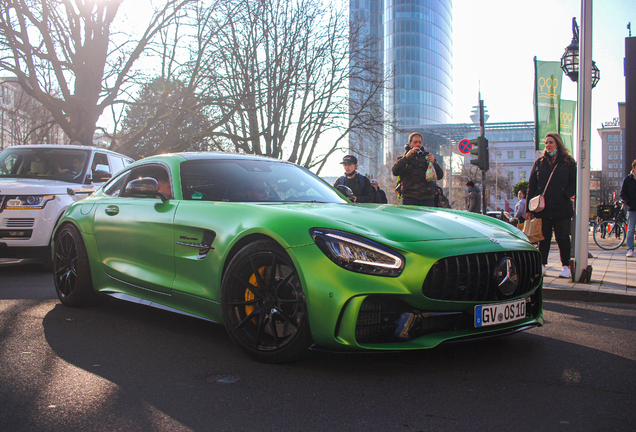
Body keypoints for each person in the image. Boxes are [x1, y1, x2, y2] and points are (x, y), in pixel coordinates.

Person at [528, 132, 576, 278]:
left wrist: (565, 194)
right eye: (546, 142)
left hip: (562, 207)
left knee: (562, 237)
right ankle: (542, 265)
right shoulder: (539, 163)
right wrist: (529, 209)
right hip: (543, 208)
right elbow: (532, 185)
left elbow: (574, 182)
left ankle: (566, 266)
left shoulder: (567, 162)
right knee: (544, 237)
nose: (548, 145)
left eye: (551, 142)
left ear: (558, 144)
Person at [391, 132, 443, 206]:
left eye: (420, 142)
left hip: (427, 198)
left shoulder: (427, 157)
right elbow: (395, 171)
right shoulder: (403, 158)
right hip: (409, 198)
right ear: (410, 143)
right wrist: (406, 158)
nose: (418, 144)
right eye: (415, 142)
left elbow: (440, 175)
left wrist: (433, 162)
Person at [620, 159, 636, 257]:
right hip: (632, 208)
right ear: (634, 168)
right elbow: (622, 193)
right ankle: (630, 249)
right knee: (630, 230)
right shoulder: (628, 179)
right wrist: (628, 202)